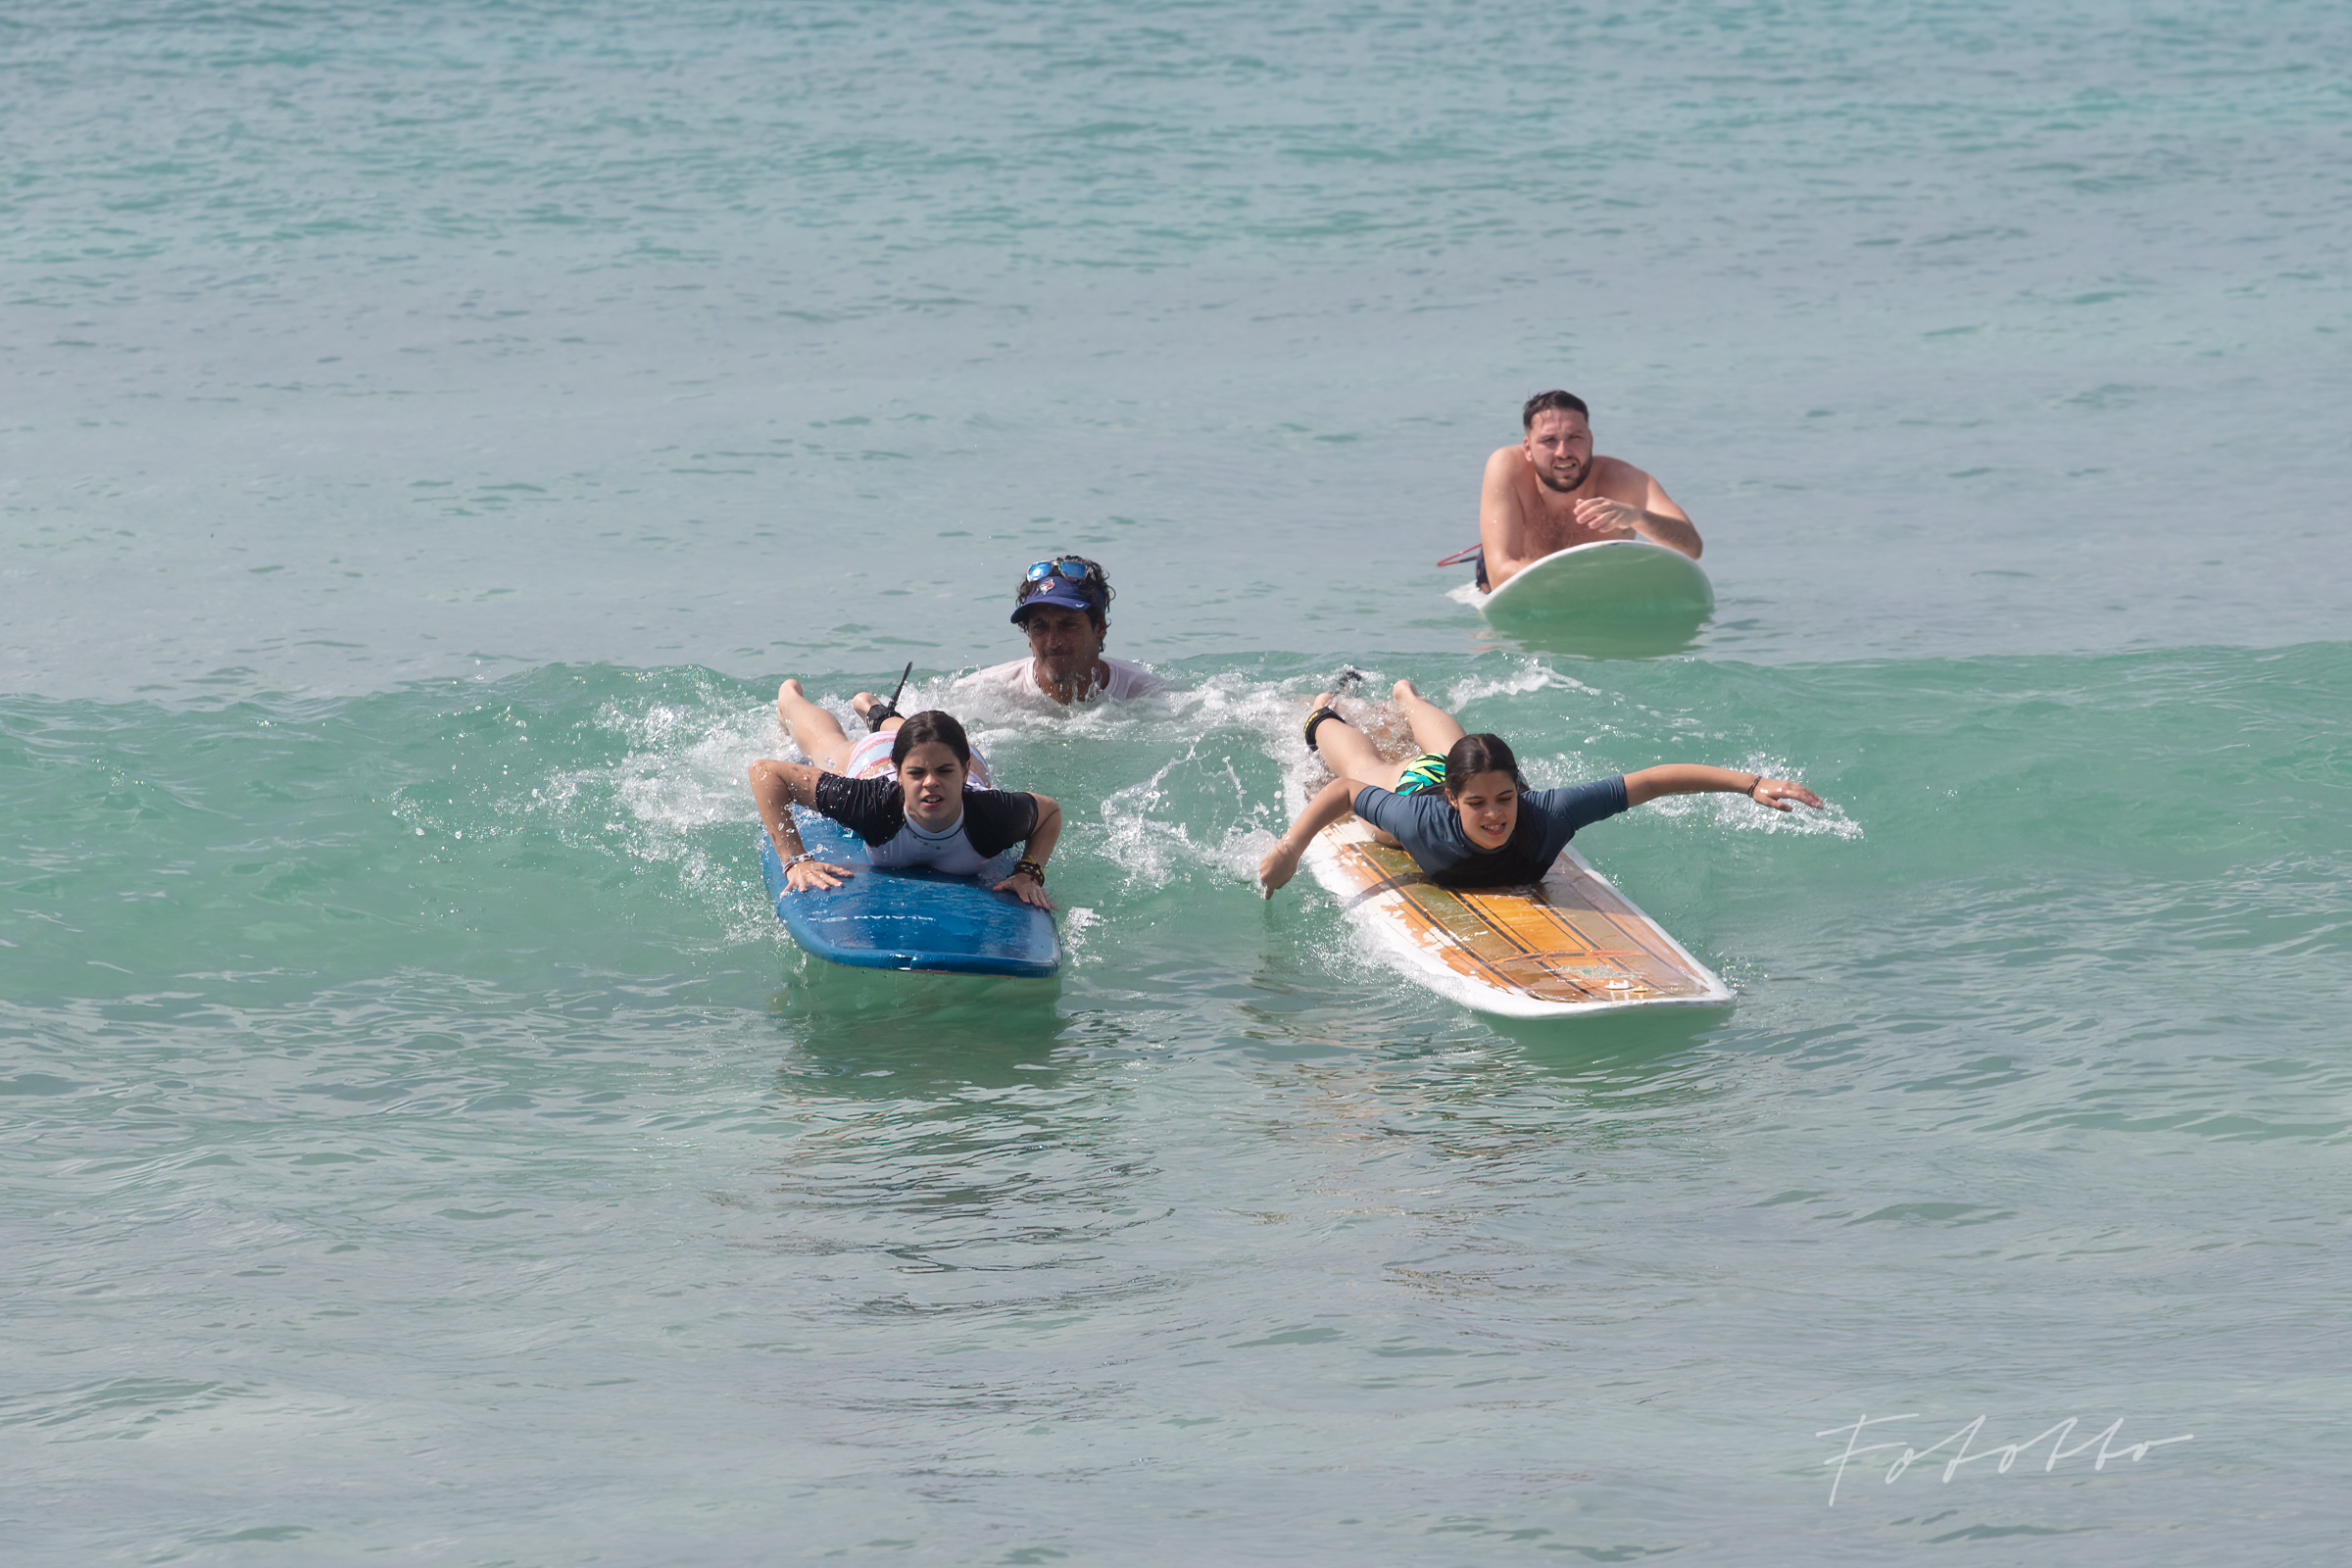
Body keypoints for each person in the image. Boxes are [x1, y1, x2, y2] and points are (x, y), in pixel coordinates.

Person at [1256, 678, 1821, 897]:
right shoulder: (1420, 821)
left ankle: (1406, 697)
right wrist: (1288, 850)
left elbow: (1650, 782)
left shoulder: (1546, 813)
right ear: (1455, 802)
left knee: (1451, 744)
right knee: (1362, 759)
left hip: (1456, 768)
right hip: (1410, 788)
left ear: (1520, 789)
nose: (1496, 815)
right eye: (1478, 804)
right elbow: (1348, 791)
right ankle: (1319, 712)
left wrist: (1751, 784)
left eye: (1505, 799)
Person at [748, 702, 1061, 910]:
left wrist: (1028, 871)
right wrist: (795, 859)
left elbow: (1050, 812)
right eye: (916, 775)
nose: (930, 783)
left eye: (945, 772)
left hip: (952, 755)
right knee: (828, 746)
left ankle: (877, 712)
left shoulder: (993, 815)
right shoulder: (871, 805)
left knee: (927, 736)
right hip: (876, 761)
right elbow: (765, 772)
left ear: (962, 772)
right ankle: (789, 699)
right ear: (899, 774)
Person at [1468, 390, 1702, 591]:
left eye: (1575, 437)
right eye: (1549, 440)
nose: (1563, 452)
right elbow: (1500, 576)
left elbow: (1691, 548)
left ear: (1590, 439)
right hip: (1516, 589)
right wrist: (1595, 579)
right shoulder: (1507, 467)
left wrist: (1637, 517)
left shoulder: (1625, 481)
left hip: (1592, 590)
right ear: (1527, 449)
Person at [952, 554, 1167, 707]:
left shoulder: (1146, 695)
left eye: (1067, 625)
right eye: (1040, 626)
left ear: (1099, 629)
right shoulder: (984, 694)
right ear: (1028, 635)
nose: (1053, 642)